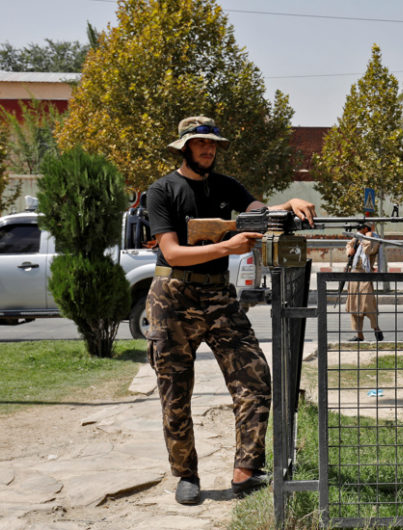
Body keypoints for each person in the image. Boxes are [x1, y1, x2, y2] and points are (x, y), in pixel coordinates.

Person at [145, 116, 315, 505]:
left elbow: (261, 211)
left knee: (255, 378)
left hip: (219, 295)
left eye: (213, 144)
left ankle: (246, 470)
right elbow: (171, 251)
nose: (209, 150)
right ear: (184, 147)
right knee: (175, 392)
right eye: (201, 144)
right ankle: (186, 475)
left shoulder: (227, 186)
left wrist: (289, 203)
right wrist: (227, 248)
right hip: (172, 297)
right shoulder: (162, 191)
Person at [346, 223, 384, 341]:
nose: (358, 230)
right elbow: (349, 246)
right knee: (354, 305)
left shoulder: (374, 239)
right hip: (354, 274)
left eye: (361, 228)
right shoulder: (357, 238)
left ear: (367, 229)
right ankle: (359, 334)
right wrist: (350, 250)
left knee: (368, 304)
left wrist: (368, 236)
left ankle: (376, 328)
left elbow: (368, 250)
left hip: (365, 275)